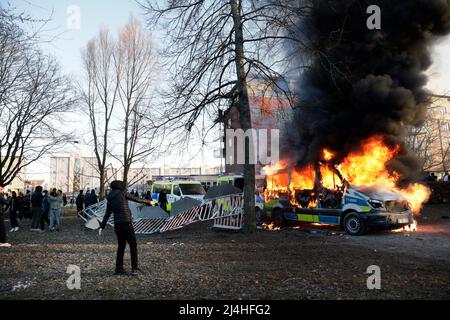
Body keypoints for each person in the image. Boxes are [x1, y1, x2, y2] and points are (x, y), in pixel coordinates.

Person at [99, 180, 151, 275]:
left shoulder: (109, 197)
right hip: (126, 222)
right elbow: (137, 199)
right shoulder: (123, 193)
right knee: (133, 245)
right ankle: (134, 269)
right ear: (121, 186)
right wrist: (149, 201)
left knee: (121, 246)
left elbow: (107, 213)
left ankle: (119, 269)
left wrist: (102, 226)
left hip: (117, 225)